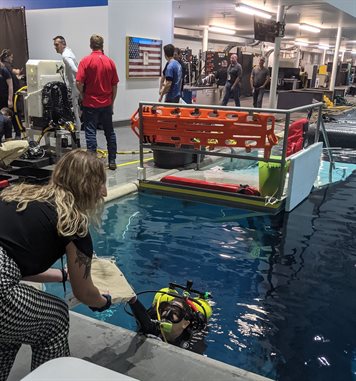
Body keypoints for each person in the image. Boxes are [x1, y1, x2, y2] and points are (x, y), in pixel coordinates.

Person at [0, 149, 112, 379]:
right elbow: (84, 293)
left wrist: (61, 275)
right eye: (101, 183)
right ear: (88, 186)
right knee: (55, 318)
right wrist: (103, 302)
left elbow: (13, 263)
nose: (105, 192)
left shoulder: (19, 197)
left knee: (12, 330)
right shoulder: (72, 222)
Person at [76, 35, 119, 170]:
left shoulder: (85, 61)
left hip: (90, 103)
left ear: (91, 45)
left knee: (90, 132)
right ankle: (112, 161)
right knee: (109, 132)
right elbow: (114, 85)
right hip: (106, 103)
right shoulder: (110, 62)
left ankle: (93, 164)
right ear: (102, 45)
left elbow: (78, 82)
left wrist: (83, 95)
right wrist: (112, 102)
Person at [128, 286, 212, 353]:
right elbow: (145, 323)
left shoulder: (193, 342)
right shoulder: (155, 327)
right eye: (165, 310)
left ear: (185, 324)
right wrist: (133, 300)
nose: (167, 315)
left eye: (175, 313)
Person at [53, 36, 81, 130]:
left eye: (57, 44)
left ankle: (77, 135)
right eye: (54, 45)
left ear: (63, 44)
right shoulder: (68, 52)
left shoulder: (65, 56)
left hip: (74, 86)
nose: (55, 47)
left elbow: (75, 70)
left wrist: (79, 83)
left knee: (75, 113)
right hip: (75, 86)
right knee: (75, 111)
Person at [0, 49, 23, 139]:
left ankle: (17, 135)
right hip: (4, 96)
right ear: (7, 57)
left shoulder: (5, 68)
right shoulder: (6, 67)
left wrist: (10, 99)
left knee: (14, 116)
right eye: (11, 57)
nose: (12, 59)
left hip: (10, 96)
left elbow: (10, 84)